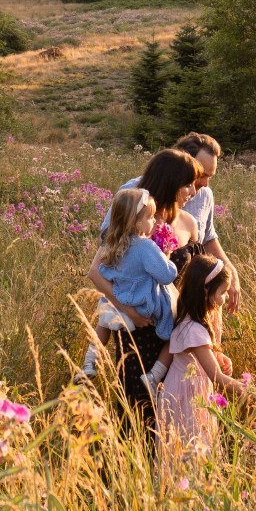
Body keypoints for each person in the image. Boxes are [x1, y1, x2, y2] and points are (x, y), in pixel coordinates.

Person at [85, 147, 201, 413]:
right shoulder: (133, 221)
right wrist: (130, 313)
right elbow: (96, 272)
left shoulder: (187, 222)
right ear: (171, 183)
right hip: (137, 327)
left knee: (172, 407)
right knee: (136, 404)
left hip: (173, 323)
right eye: (187, 185)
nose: (192, 192)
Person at [99, 133, 240, 312]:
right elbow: (108, 245)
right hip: (141, 301)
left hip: (184, 304)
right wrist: (129, 312)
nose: (204, 183)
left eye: (209, 176)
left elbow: (208, 238)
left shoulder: (204, 194)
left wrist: (230, 270)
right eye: (200, 174)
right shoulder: (136, 193)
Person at [158, 255, 256, 458]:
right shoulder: (193, 329)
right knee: (189, 454)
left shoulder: (191, 317)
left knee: (193, 453)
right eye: (222, 292)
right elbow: (219, 379)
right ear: (206, 292)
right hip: (185, 399)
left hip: (188, 391)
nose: (226, 298)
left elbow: (200, 354)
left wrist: (218, 355)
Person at [77, 187, 177, 382]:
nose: (155, 221)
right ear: (137, 222)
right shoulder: (145, 246)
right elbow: (166, 275)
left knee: (104, 309)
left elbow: (105, 271)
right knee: (177, 328)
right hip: (143, 308)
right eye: (150, 217)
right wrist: (167, 256)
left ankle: (90, 361)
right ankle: (155, 375)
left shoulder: (116, 244)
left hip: (120, 305)